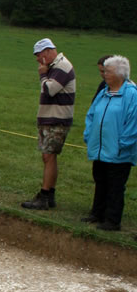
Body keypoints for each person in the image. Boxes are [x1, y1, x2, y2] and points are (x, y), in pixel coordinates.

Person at [82, 54, 137, 231]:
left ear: (120, 74)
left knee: (115, 184)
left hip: (119, 151)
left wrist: (123, 144)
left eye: (108, 71)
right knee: (100, 179)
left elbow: (133, 122)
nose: (104, 74)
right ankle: (97, 213)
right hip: (100, 148)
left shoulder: (131, 94)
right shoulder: (104, 92)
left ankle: (112, 220)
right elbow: (92, 114)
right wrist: (89, 134)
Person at [21, 38, 76, 211]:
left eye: (38, 55)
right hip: (49, 118)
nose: (37, 59)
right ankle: (49, 194)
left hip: (57, 119)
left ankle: (44, 196)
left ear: (47, 52)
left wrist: (43, 74)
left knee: (49, 155)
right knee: (48, 156)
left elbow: (49, 89)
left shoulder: (62, 67)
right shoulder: (55, 67)